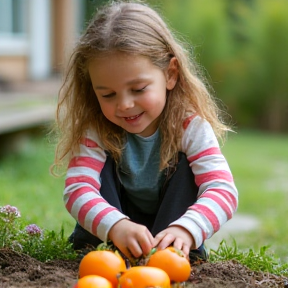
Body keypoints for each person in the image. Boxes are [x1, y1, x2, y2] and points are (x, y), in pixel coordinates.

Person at [52, 1, 238, 262]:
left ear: (170, 74)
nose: (125, 104)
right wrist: (115, 226)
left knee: (189, 168)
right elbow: (78, 189)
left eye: (138, 89)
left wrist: (187, 228)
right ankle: (95, 247)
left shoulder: (190, 127)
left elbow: (223, 190)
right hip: (106, 241)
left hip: (170, 244)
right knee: (98, 170)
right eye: (108, 94)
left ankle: (179, 250)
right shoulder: (97, 129)